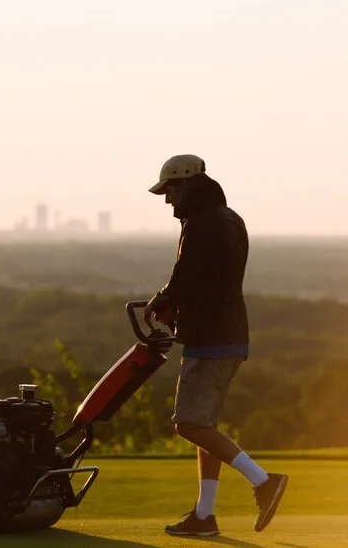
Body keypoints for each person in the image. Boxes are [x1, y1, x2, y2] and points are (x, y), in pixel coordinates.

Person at [143, 154, 288, 537]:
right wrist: (177, 304)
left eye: (170, 190)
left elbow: (187, 274)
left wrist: (162, 300)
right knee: (205, 424)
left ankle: (263, 481)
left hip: (210, 338)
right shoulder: (230, 218)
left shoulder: (201, 222)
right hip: (232, 334)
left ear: (186, 184)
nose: (167, 200)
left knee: (189, 423)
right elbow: (209, 278)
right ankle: (204, 516)